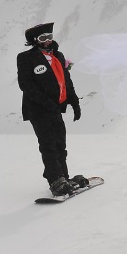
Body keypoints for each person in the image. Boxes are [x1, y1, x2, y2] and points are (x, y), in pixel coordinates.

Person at [17, 22, 88, 196]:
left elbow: (66, 81)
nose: (48, 40)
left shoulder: (58, 55)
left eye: (50, 36)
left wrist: (74, 102)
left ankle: (63, 177)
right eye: (43, 38)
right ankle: (56, 181)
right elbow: (26, 85)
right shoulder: (26, 58)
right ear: (35, 40)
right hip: (38, 110)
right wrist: (48, 104)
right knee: (48, 145)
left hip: (55, 109)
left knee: (60, 145)